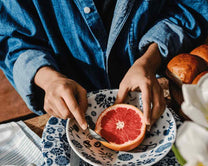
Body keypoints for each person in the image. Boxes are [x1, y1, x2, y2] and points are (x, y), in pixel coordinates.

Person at [0, 1, 208, 130]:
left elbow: (192, 7)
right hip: (66, 113)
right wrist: (47, 78)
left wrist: (148, 60)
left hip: (153, 99)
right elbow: (11, 37)